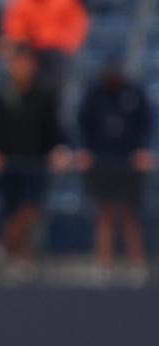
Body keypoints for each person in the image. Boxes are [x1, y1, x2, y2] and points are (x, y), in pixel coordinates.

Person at [0, 44, 71, 271]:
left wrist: (57, 151)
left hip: (36, 166)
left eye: (26, 62)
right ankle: (22, 261)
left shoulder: (45, 94)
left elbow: (55, 131)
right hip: (7, 167)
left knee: (29, 210)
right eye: (17, 62)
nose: (21, 67)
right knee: (11, 210)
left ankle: (1, 248)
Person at [77, 59, 154, 276]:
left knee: (131, 213)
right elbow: (83, 123)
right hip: (102, 162)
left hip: (129, 163)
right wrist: (85, 150)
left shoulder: (134, 92)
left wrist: (143, 149)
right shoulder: (94, 93)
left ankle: (136, 264)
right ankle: (103, 264)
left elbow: (146, 122)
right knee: (104, 213)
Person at [1, 0, 88, 92]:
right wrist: (29, 39)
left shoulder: (67, 3)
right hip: (30, 49)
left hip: (56, 52)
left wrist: (48, 39)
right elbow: (14, 30)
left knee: (58, 63)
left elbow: (74, 31)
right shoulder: (21, 4)